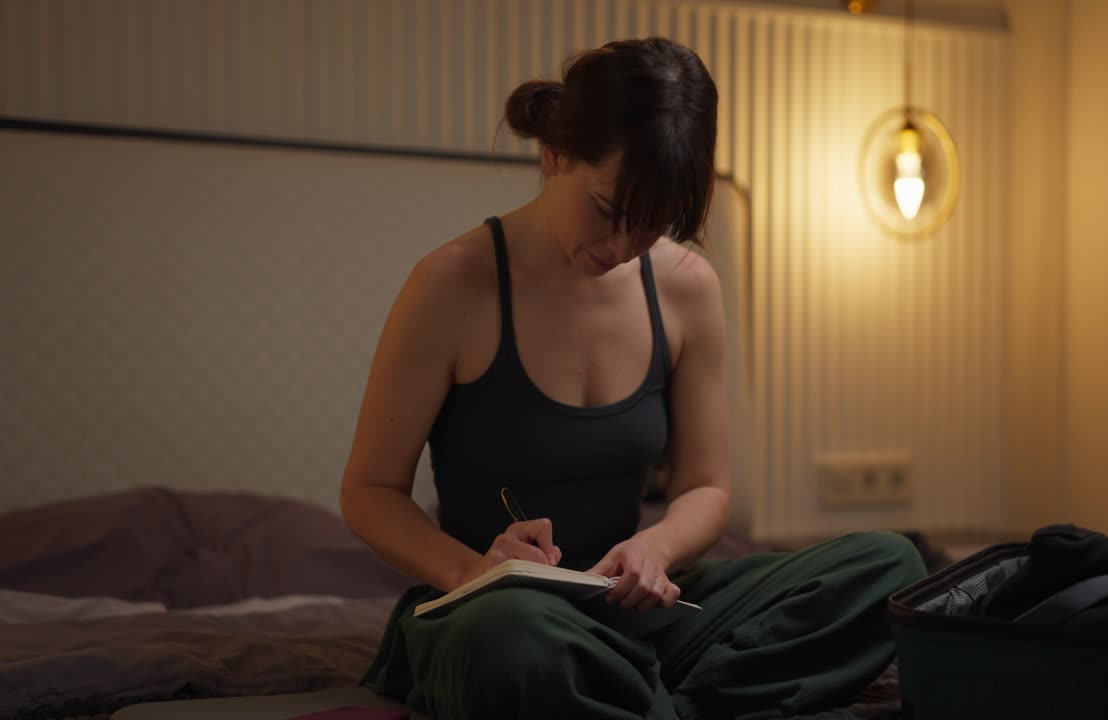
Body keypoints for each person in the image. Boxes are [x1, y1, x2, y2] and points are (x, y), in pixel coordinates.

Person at [340, 36, 926, 720]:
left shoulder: (686, 289)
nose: (619, 249)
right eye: (607, 212)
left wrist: (655, 549)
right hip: (495, 612)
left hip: (633, 614)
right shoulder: (451, 285)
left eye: (649, 229)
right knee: (511, 640)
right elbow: (369, 492)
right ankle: (657, 699)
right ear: (554, 153)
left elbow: (706, 487)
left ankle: (625, 695)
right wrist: (474, 570)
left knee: (890, 569)